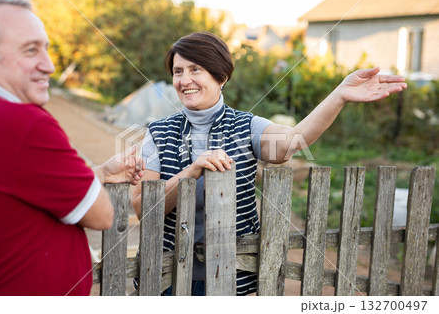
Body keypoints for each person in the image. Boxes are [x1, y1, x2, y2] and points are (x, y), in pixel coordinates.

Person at [131, 31, 407, 295]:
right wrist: (192, 171)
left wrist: (339, 96)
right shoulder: (158, 132)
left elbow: (292, 141)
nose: (184, 80)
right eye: (178, 71)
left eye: (195, 70)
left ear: (221, 76)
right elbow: (144, 206)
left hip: (230, 274)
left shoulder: (247, 126)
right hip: (167, 273)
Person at [0, 0, 145, 296]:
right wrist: (91, 182)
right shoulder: (24, 123)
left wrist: (98, 172)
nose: (48, 65)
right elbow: (101, 215)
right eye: (30, 49)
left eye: (45, 48)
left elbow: (23, 182)